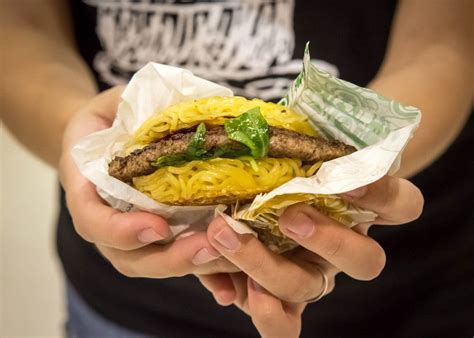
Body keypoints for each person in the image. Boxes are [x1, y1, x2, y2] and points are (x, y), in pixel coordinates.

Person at [1, 0, 472, 337]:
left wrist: (364, 169)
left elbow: (445, 43)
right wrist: (83, 140)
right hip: (126, 294)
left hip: (409, 291)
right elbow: (20, 24)